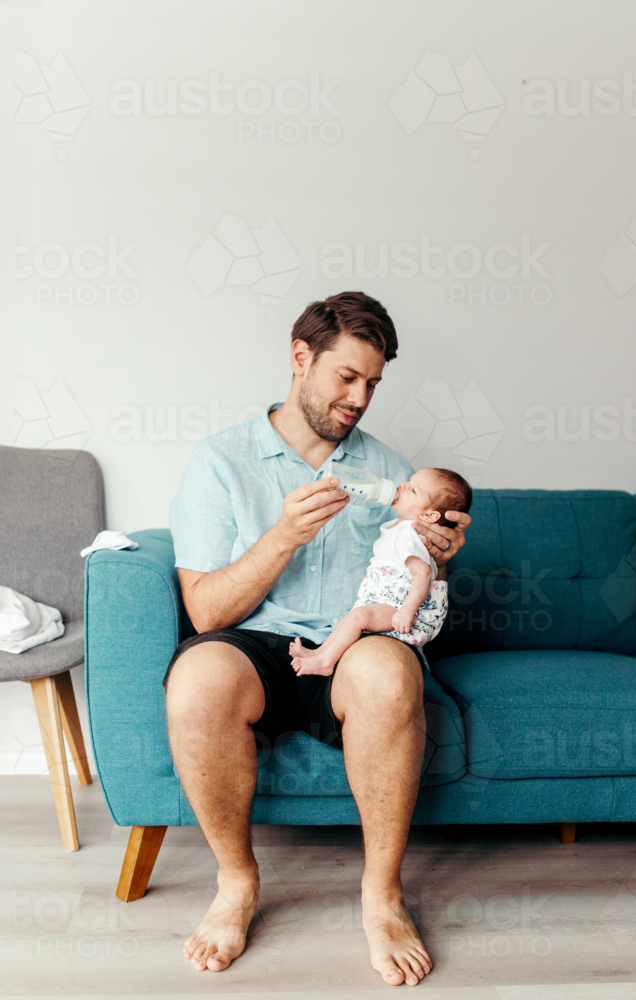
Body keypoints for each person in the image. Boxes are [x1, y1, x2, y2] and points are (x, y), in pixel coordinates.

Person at [162, 291, 472, 986]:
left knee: (390, 676)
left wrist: (438, 554)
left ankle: (381, 894)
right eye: (346, 377)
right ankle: (237, 884)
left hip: (352, 641)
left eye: (373, 384)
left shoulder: (391, 473)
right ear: (301, 360)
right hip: (253, 642)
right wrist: (282, 537)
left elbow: (403, 581)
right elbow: (206, 610)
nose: (360, 398)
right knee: (197, 681)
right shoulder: (220, 461)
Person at [290, 467, 472, 675]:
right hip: (389, 602)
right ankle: (319, 653)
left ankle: (325, 662)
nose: (402, 485)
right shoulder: (400, 527)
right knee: (350, 618)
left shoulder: (409, 534)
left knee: (357, 617)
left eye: (413, 490)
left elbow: (423, 574)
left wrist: (407, 612)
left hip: (400, 609)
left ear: (429, 515)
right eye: (408, 481)